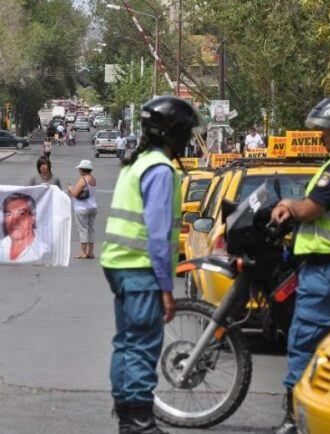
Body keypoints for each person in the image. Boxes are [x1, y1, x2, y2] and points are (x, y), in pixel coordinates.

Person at [100, 96, 202, 433]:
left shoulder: (136, 163)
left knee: (126, 343)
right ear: (173, 133)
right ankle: (141, 422)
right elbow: (158, 236)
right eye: (186, 133)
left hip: (119, 265)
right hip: (141, 268)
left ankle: (127, 417)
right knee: (143, 346)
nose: (188, 140)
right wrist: (166, 288)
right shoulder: (160, 170)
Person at [270, 93, 330, 434]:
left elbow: (312, 209)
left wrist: (288, 205)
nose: (323, 136)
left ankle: (296, 418)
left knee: (305, 339)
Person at [0, 192, 48, 262]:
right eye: (9, 214)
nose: (14, 221)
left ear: (33, 218)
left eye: (22, 214)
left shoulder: (45, 252)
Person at [67, 160, 98, 259]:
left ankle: (83, 252)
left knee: (83, 230)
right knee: (90, 229)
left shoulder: (83, 180)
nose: (79, 170)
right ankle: (90, 252)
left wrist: (70, 188)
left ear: (83, 169)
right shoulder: (93, 179)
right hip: (93, 207)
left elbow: (75, 194)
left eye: (79, 169)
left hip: (82, 208)